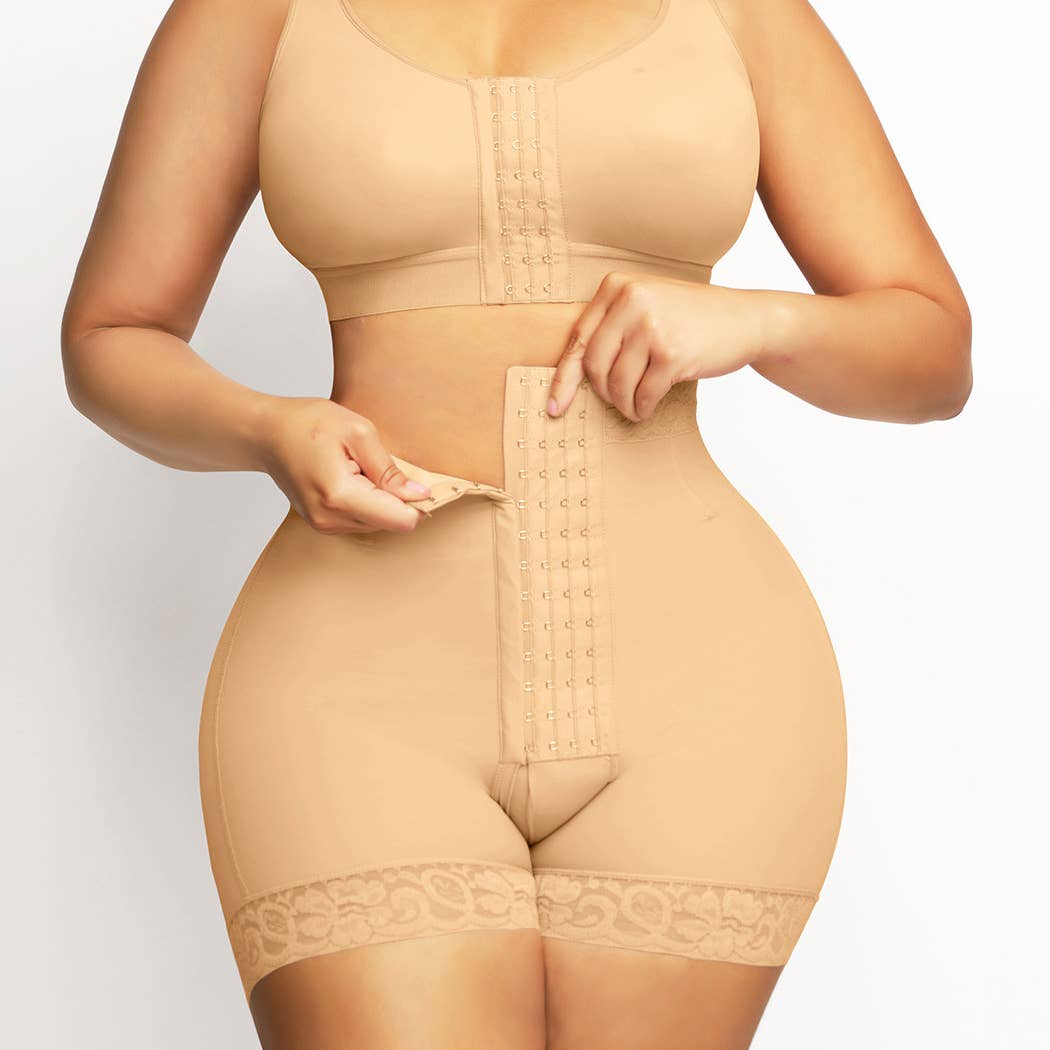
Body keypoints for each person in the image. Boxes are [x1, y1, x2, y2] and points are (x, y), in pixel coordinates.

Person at [60, 0, 972, 1047]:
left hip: (702, 677)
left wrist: (760, 320)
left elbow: (933, 351)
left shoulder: (741, 12)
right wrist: (267, 428)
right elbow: (111, 334)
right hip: (358, 677)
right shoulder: (253, 13)